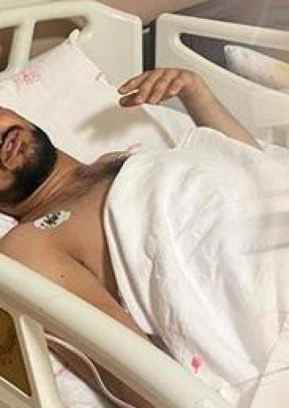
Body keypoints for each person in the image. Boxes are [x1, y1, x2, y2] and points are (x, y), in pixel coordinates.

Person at [0, 67, 261, 407]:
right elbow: (130, 370)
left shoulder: (116, 162)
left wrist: (196, 93)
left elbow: (254, 170)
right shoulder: (28, 245)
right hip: (286, 316)